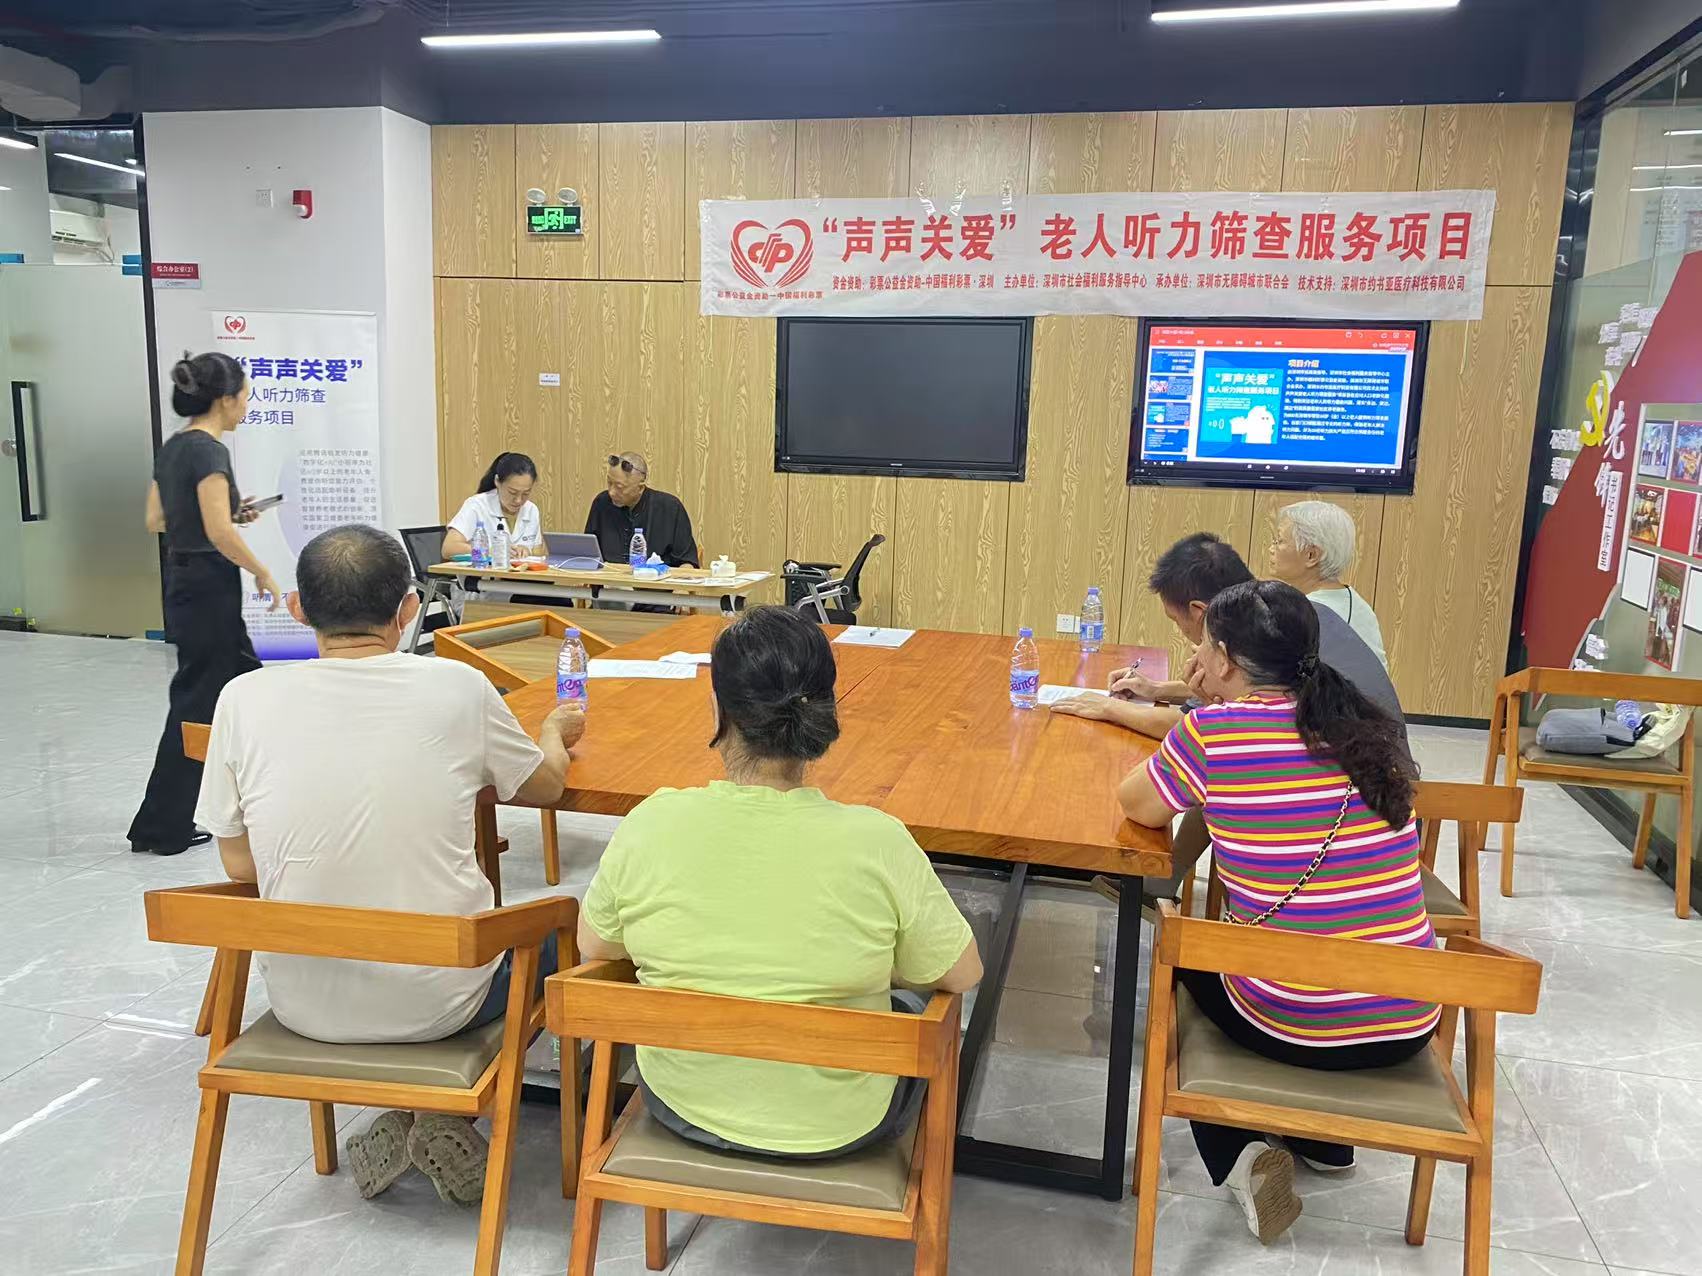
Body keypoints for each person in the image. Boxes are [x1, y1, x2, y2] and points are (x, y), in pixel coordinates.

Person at [195, 524, 584, 1206]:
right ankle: (444, 1113)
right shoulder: (456, 687)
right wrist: (552, 733)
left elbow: (238, 862)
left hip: (303, 1002)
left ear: (298, 609)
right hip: (444, 1007)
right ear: (408, 609)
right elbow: (546, 788)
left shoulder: (242, 698)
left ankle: (412, 1117)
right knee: (567, 930)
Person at [578, 605, 981, 1157]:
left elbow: (596, 945)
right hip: (841, 1125)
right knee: (911, 1011)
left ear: (718, 710)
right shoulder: (877, 840)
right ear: (825, 712)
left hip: (682, 1102)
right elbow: (962, 972)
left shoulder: (652, 822)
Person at [1119, 580, 1437, 1245]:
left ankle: (1240, 1159)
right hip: (1409, 1017)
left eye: (1206, 645)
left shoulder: (1214, 731)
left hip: (1295, 1022)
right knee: (1308, 940)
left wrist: (1206, 712)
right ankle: (1325, 1143)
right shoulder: (1362, 726)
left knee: (1179, 956)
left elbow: (1137, 804)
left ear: (1225, 659)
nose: (1197, 657)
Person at [128, 352, 280, 857]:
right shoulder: (210, 450)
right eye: (245, 396)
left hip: (183, 581)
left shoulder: (175, 447)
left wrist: (226, 510)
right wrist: (261, 569)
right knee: (199, 702)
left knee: (243, 686)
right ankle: (162, 826)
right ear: (225, 399)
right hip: (210, 585)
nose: (247, 405)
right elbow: (218, 532)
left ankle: (242, 803)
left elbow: (156, 519)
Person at [1051, 532, 1402, 737]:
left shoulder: (1258, 637)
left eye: (1176, 620)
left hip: (1354, 789)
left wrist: (1108, 708)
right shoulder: (1275, 611)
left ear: (1199, 611)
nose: (1183, 633)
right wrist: (1157, 690)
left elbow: (1192, 729)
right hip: (1378, 779)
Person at [1266, 500, 1387, 670]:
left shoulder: (1308, 614)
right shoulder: (1357, 604)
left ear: (1311, 555)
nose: (1271, 548)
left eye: (1279, 541)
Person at [584, 450, 698, 567]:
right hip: (609, 578)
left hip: (657, 578)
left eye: (619, 487)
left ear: (640, 488)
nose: (611, 492)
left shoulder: (670, 508)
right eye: (609, 483)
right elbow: (587, 556)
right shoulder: (601, 503)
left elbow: (688, 563)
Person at [442, 452, 545, 560]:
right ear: (497, 481)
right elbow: (448, 548)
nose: (518, 500)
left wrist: (526, 550)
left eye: (526, 493)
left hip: (521, 571)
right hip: (483, 570)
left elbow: (540, 552)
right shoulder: (476, 505)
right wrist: (490, 551)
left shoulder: (531, 509)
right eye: (512, 492)